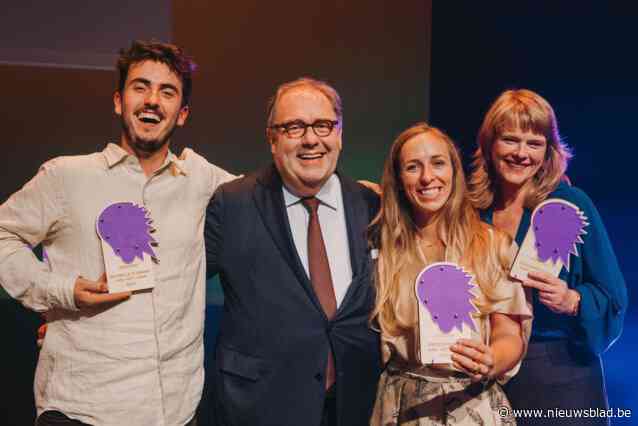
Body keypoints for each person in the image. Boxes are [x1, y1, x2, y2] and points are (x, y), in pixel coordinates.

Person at [0, 40, 235, 426]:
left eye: (167, 91)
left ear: (182, 114)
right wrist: (62, 289)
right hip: (82, 411)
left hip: (174, 412)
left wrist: (359, 193)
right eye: (140, 87)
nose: (152, 100)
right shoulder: (66, 177)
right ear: (118, 101)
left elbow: (267, 199)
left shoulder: (202, 182)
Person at [204, 77, 381, 426]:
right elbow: (180, 287)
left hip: (353, 407)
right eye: (295, 127)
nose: (311, 139)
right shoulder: (233, 203)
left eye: (323, 125)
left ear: (339, 134)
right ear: (272, 139)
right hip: (260, 407)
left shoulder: (370, 205)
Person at [468, 89, 627, 425]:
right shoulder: (471, 209)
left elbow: (614, 297)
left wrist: (573, 299)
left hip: (560, 373)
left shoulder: (571, 203)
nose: (521, 153)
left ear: (549, 150)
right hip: (485, 373)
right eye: (510, 140)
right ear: (489, 143)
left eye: (534, 143)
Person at [369, 123, 531, 425]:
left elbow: (510, 334)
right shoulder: (383, 248)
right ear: (399, 179)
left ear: (455, 171)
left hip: (474, 402)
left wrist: (492, 359)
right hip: (401, 406)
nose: (428, 177)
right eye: (413, 167)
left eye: (438, 163)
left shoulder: (493, 245)